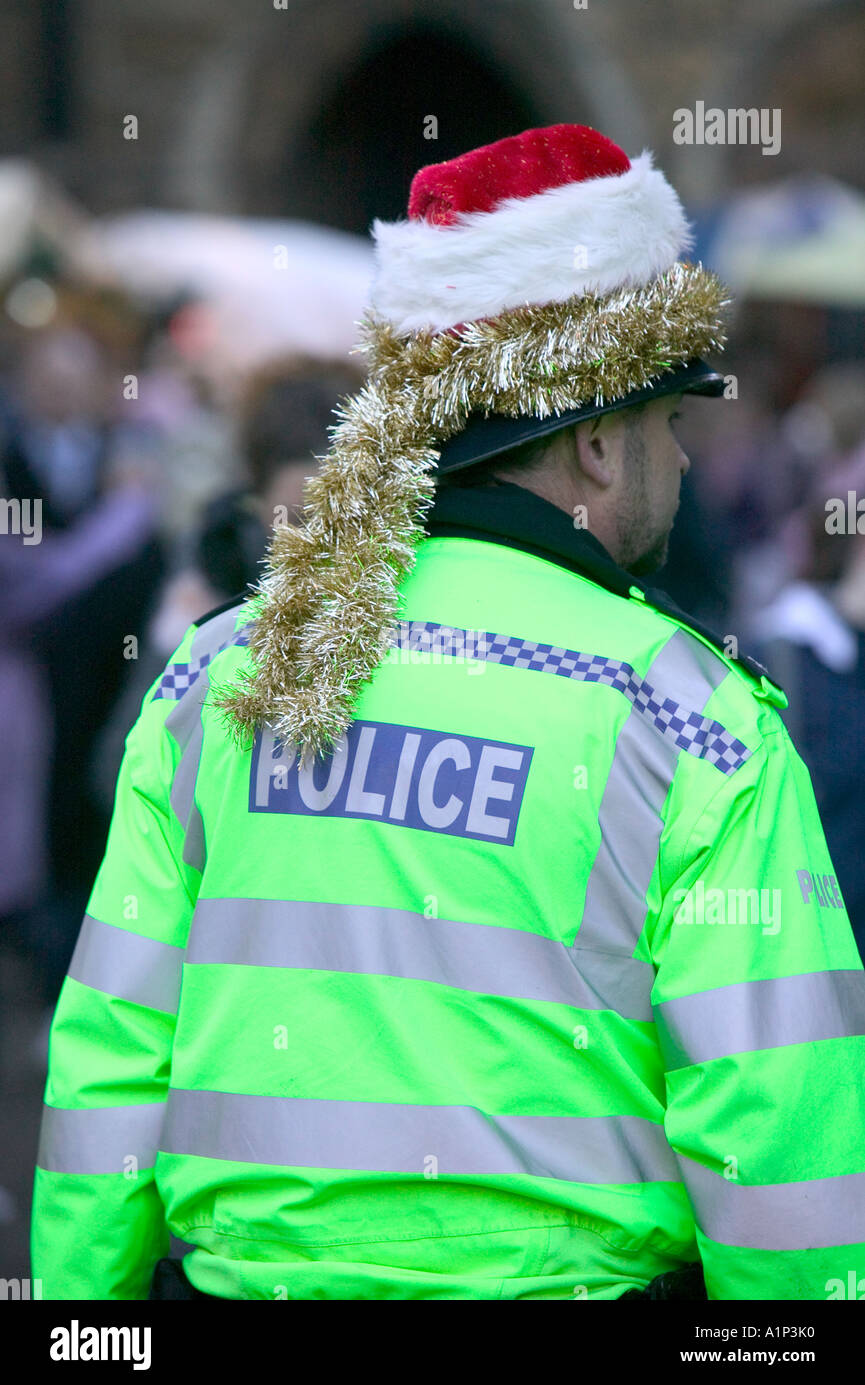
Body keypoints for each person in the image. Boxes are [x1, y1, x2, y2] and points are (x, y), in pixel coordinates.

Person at [31, 123, 865, 1301]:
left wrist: (80, 1325)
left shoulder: (218, 670)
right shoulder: (697, 722)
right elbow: (785, 1142)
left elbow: (107, 1060)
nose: (680, 463)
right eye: (666, 426)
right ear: (589, 446)